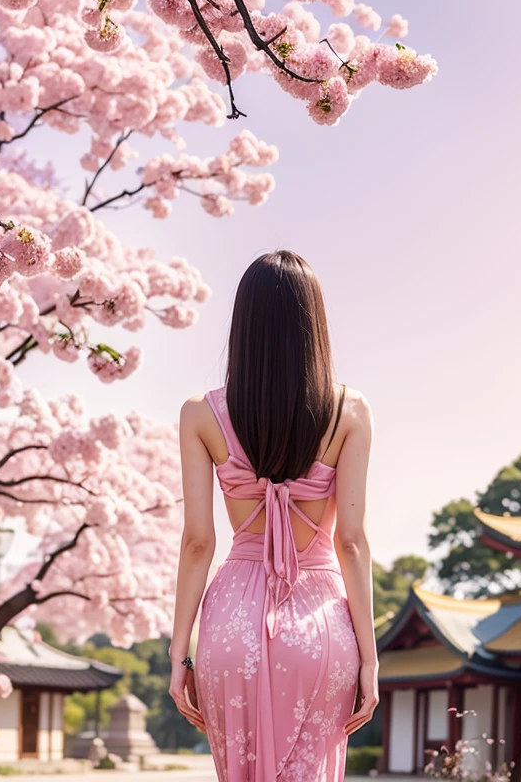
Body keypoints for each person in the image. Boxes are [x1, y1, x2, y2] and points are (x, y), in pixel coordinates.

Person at [169, 250, 378, 781]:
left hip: (230, 626)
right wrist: (370, 661)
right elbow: (350, 543)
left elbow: (198, 542)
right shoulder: (350, 412)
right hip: (322, 625)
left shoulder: (200, 415)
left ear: (244, 326)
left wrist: (179, 653)